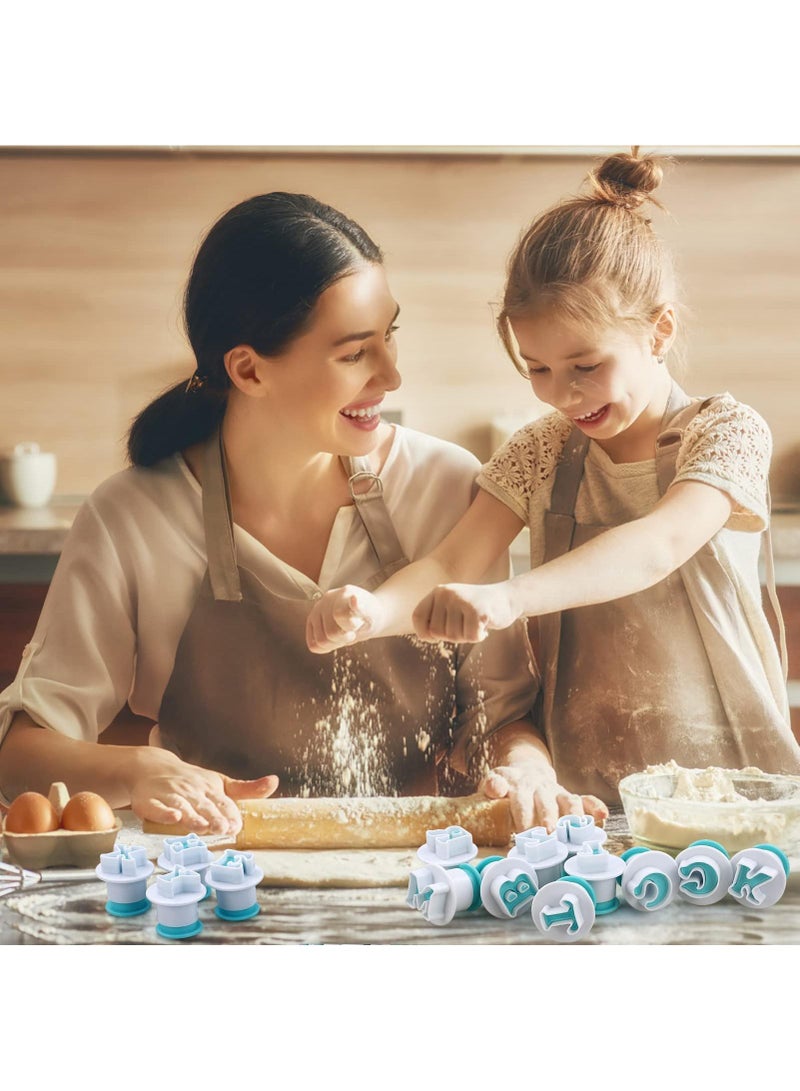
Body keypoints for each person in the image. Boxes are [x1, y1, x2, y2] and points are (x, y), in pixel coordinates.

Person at [0, 192, 604, 839]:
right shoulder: (131, 517)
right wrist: (141, 768)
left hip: (417, 874)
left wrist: (528, 769)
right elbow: (20, 752)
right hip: (211, 886)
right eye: (354, 353)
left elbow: (502, 717)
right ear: (248, 369)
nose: (392, 375)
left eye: (389, 336)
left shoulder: (449, 487)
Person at [306, 150, 800, 803]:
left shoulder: (726, 431)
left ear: (660, 331)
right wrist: (374, 612)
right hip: (586, 786)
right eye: (538, 368)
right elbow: (455, 557)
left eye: (585, 366)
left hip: (732, 787)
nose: (562, 395)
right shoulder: (540, 449)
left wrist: (510, 599)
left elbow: (658, 545)